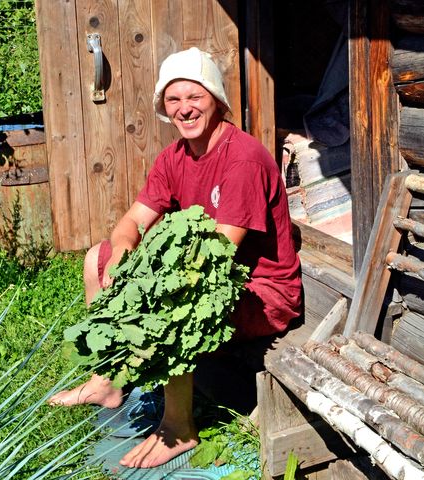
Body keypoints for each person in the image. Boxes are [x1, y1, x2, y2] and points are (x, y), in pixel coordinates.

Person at [49, 47, 302, 469]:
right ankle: (107, 381)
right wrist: (122, 256)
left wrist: (148, 280)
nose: (185, 109)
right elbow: (131, 222)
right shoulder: (174, 158)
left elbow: (219, 253)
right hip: (215, 276)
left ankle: (179, 426)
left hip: (262, 292)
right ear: (164, 107)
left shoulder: (242, 158)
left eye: (195, 97)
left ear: (217, 100)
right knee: (98, 257)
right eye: (174, 100)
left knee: (175, 296)